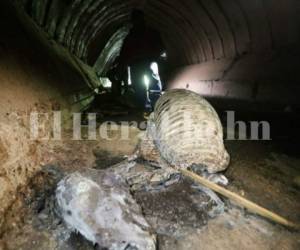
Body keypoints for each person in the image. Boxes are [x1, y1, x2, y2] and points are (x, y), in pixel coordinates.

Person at [117, 9, 165, 109]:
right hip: (140, 64)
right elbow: (124, 54)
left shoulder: (133, 36)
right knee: (142, 87)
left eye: (138, 19)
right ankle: (146, 108)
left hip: (146, 63)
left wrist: (154, 57)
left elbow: (161, 48)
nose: (137, 21)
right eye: (136, 19)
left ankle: (153, 108)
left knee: (150, 86)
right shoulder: (132, 37)